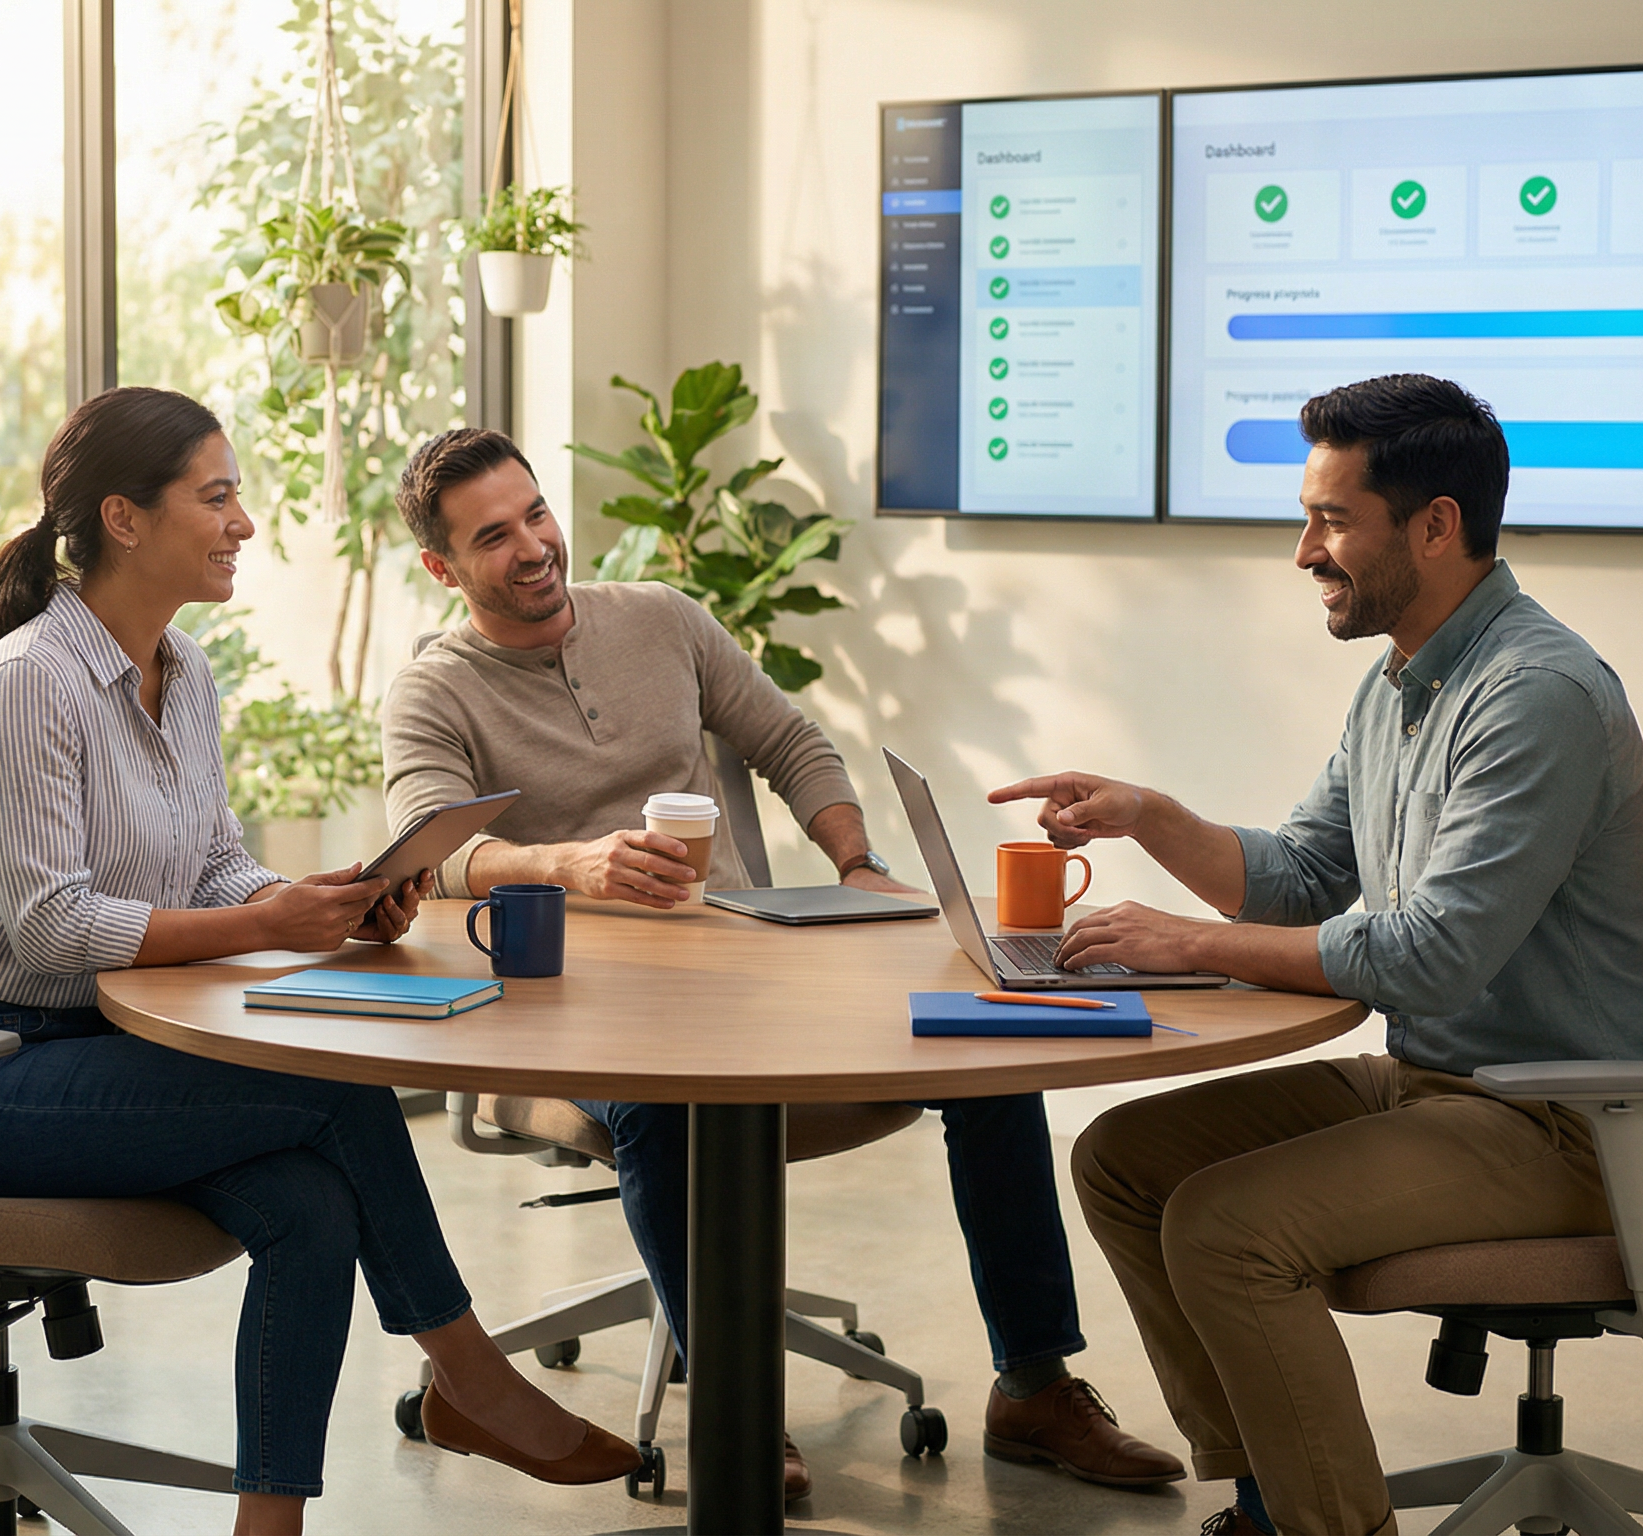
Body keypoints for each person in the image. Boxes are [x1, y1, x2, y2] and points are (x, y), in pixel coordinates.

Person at [0, 388, 643, 1536]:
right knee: (328, 1089)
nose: (243, 522)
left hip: (100, 1051)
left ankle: (269, 1525)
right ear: (126, 520)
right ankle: (471, 1378)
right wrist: (264, 926)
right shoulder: (32, 681)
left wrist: (328, 908)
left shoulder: (180, 672)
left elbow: (212, 869)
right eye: (217, 496)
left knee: (307, 1209)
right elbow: (50, 928)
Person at [379, 426, 1185, 1504]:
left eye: (536, 513)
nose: (533, 546)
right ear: (442, 567)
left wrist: (857, 861)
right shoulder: (434, 691)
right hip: (577, 1016)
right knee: (666, 1107)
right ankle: (735, 1401)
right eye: (493, 536)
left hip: (751, 975)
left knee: (995, 1040)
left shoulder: (661, 619)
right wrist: (570, 862)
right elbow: (435, 849)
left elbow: (793, 744)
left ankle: (1034, 1384)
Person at [990, 374, 1643, 1536]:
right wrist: (1150, 817)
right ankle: (1273, 1497)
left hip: (1566, 1118)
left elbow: (1429, 958)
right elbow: (1309, 876)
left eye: (1330, 521)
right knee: (1123, 1160)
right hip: (1442, 1084)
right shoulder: (1400, 682)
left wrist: (1186, 942)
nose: (1303, 550)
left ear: (1435, 525)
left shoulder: (1534, 696)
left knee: (1227, 1228)